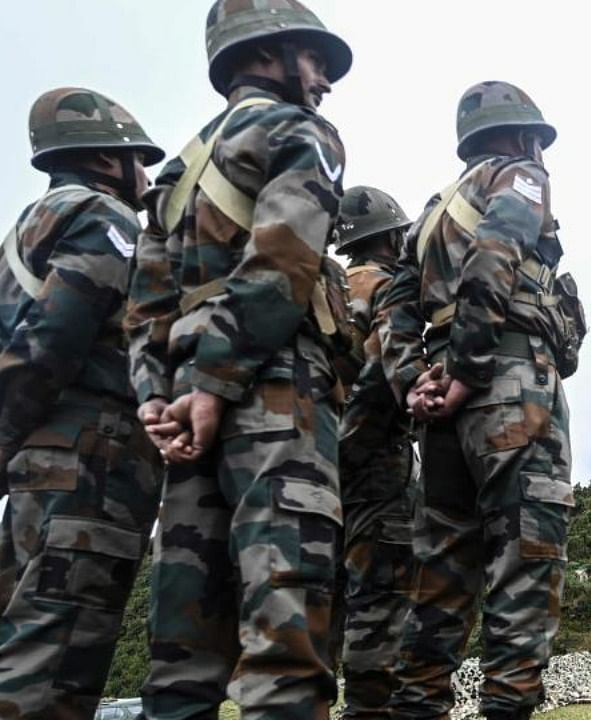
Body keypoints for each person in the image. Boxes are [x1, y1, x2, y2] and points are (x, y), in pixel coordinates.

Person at [122, 1, 352, 718]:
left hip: (186, 414)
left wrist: (158, 398)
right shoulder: (298, 131)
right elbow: (283, 262)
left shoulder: (178, 174)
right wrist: (218, 383)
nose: (325, 80)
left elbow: (145, 308)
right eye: (315, 59)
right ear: (267, 54)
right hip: (272, 394)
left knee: (184, 649)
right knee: (286, 625)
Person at [380, 81, 587, 720]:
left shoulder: (427, 218)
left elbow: (392, 308)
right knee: (525, 566)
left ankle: (417, 709)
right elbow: (495, 257)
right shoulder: (519, 177)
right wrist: (470, 369)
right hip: (510, 390)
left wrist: (416, 378)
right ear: (529, 137)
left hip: (441, 415)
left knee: (439, 582)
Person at [0, 87, 165, 719]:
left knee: (26, 632)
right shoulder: (105, 218)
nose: (145, 177)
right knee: (57, 656)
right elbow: (54, 337)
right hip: (89, 461)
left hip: (43, 461)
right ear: (105, 160)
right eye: (137, 160)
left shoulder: (33, 221)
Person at [333, 186, 419, 718]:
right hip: (375, 471)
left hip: (312, 474)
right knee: (381, 606)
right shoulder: (389, 289)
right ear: (392, 237)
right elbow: (390, 373)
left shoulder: (326, 288)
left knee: (320, 606)